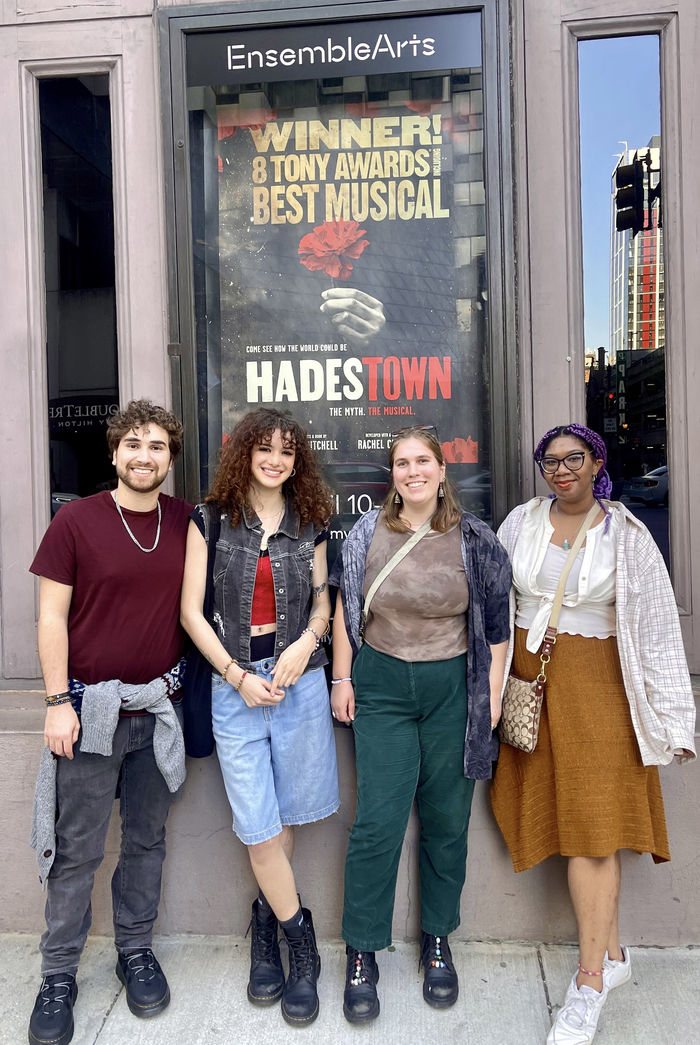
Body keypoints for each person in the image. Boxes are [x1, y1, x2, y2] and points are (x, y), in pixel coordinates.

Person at [491, 423, 697, 1045]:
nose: (560, 469)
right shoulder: (519, 523)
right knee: (572, 820)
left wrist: (674, 718)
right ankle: (611, 957)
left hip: (602, 688)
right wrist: (489, 690)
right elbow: (493, 604)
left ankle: (586, 985)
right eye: (550, 461)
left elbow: (658, 628)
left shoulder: (627, 534)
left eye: (573, 458)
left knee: (593, 827)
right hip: (531, 684)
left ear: (597, 461)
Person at [330, 425, 511, 1022]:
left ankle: (438, 938)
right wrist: (342, 677)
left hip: (451, 691)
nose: (413, 472)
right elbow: (345, 607)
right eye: (402, 463)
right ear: (394, 473)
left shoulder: (475, 538)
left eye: (423, 461)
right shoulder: (366, 532)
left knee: (445, 819)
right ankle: (362, 948)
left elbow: (496, 628)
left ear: (441, 468)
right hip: (381, 685)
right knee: (377, 822)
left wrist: (490, 704)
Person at [28, 400, 192, 1045]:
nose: (143, 456)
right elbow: (49, 617)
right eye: (132, 444)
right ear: (114, 454)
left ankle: (135, 950)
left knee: (147, 840)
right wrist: (55, 703)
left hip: (158, 711)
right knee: (78, 852)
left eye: (156, 446)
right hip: (89, 712)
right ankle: (58, 975)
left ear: (170, 459)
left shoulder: (184, 521)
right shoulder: (76, 522)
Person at [180, 407, 339, 1027]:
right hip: (235, 685)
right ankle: (300, 939)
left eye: (288, 451)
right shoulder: (210, 520)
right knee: (259, 826)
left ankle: (264, 922)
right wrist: (237, 676)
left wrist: (308, 644)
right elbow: (191, 613)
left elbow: (324, 601)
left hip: (298, 684)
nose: (276, 459)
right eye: (265, 448)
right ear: (244, 452)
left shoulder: (312, 520)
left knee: (285, 816)